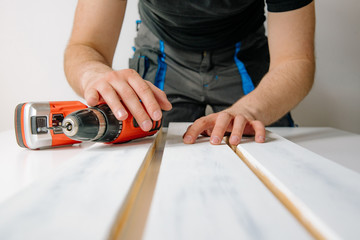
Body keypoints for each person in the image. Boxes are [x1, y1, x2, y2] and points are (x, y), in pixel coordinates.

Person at [64, 0, 315, 146]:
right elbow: (87, 46)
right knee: (146, 151)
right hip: (163, 52)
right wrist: (93, 74)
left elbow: (295, 60)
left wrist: (249, 110)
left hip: (241, 53)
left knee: (268, 146)